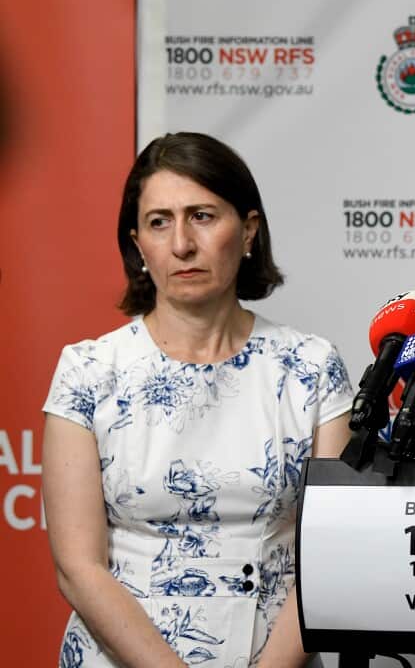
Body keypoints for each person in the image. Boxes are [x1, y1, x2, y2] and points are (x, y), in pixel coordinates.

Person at [43, 133, 353, 667]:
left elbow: (332, 555)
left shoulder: (312, 367)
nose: (182, 244)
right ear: (138, 244)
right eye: (160, 222)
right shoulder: (89, 371)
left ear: (249, 229)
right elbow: (78, 567)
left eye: (203, 216)